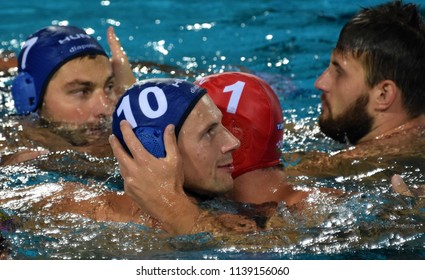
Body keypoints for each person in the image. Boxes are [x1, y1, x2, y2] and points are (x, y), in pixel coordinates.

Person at [1, 25, 135, 166]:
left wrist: (132, 96)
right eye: (82, 92)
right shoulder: (11, 152)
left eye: (109, 87)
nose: (106, 109)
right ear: (30, 97)